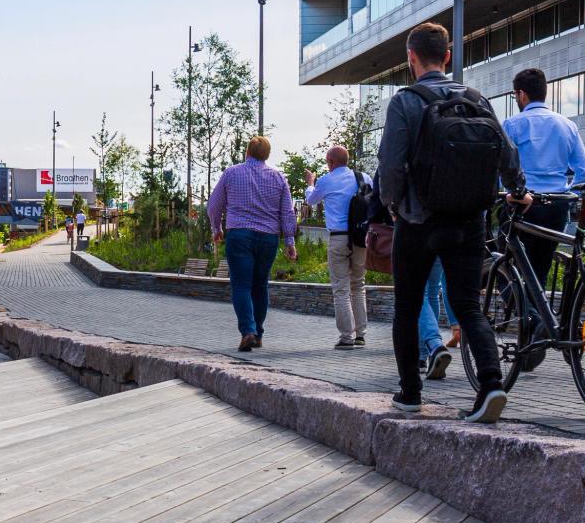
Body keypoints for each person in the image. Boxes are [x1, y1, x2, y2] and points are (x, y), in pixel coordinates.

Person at [378, 22, 526, 424]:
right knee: (468, 306)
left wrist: (392, 204)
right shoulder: (477, 99)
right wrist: (517, 189)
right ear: (447, 56)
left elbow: (390, 166)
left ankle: (410, 394)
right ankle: (491, 385)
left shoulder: (406, 102)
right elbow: (507, 156)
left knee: (408, 306)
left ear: (411, 58)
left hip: (418, 219)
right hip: (469, 219)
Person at [501, 68, 585, 291]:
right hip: (556, 207)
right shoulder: (567, 125)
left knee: (502, 265)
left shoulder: (512, 125)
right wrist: (568, 196)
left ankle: (528, 317)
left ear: (522, 95)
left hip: (523, 204)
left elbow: (500, 169)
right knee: (540, 270)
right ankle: (539, 321)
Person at [208, 135, 297, 351]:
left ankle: (247, 331)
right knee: (260, 285)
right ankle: (257, 333)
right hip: (268, 238)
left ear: (247, 152)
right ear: (267, 155)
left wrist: (216, 228)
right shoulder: (278, 178)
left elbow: (213, 205)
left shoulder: (232, 173)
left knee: (241, 285)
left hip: (239, 235)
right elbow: (287, 212)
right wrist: (289, 241)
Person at [304, 146, 367, 349]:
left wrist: (311, 183)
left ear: (330, 162)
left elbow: (310, 200)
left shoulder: (326, 180)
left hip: (339, 238)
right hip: (361, 238)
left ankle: (346, 337)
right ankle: (360, 334)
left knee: (341, 289)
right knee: (358, 284)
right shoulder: (363, 177)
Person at [416, 261, 460, 379]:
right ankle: (429, 356)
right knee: (432, 291)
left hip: (419, 244)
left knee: (419, 291)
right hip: (444, 244)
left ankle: (431, 349)